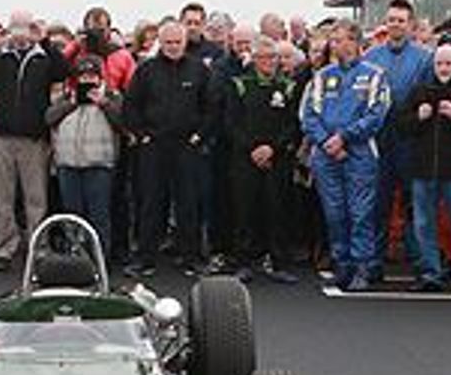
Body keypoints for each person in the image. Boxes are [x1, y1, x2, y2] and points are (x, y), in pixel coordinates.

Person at [299, 23, 391, 292]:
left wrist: (345, 137)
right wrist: (326, 141)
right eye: (332, 40)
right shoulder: (321, 76)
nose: (334, 45)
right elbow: (308, 115)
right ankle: (342, 265)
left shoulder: (374, 75)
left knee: (360, 212)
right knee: (334, 212)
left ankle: (363, 266)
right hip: (326, 153)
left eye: (338, 40)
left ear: (353, 42)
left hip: (359, 152)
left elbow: (376, 114)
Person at [123, 19, 216, 277]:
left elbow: (211, 108)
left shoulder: (199, 70)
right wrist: (141, 135)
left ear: (185, 42)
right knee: (151, 203)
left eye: (177, 42)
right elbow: (131, 105)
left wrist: (199, 136)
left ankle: (191, 258)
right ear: (160, 43)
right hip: (154, 146)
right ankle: (145, 258)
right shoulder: (146, 70)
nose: (173, 47)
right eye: (168, 42)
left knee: (189, 203)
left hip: (187, 146)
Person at [395, 44, 451, 293]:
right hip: (423, 170)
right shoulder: (420, 92)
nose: (443, 68)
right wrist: (418, 117)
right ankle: (430, 274)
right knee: (423, 224)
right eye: (439, 63)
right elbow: (401, 126)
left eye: (448, 64)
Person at [0, 11, 67, 272]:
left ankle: (37, 247)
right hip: (2, 136)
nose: (20, 33)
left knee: (36, 198)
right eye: (15, 27)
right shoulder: (1, 57)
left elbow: (63, 72)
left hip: (33, 138)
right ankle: (4, 247)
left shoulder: (43, 57)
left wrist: (45, 41)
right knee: (3, 198)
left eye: (25, 27)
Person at [363, 0, 433, 279]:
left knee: (414, 203)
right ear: (386, 22)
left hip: (410, 140)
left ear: (410, 24)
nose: (396, 24)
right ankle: (373, 263)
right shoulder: (370, 56)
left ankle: (421, 264)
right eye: (392, 19)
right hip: (378, 139)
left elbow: (428, 96)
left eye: (401, 20)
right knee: (377, 203)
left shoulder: (425, 58)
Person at [224, 35, 303, 283]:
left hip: (278, 159)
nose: (269, 62)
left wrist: (273, 148)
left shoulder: (288, 86)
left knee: (277, 210)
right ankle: (244, 262)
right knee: (244, 210)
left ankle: (278, 262)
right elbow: (231, 122)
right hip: (245, 158)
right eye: (264, 57)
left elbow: (293, 123)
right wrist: (253, 148)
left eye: (273, 57)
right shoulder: (239, 84)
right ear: (254, 59)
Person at [46, 53, 124, 260]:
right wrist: (71, 103)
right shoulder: (66, 98)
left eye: (91, 76)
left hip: (99, 164)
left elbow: (123, 122)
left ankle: (100, 258)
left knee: (99, 215)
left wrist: (103, 103)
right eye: (83, 76)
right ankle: (75, 257)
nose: (87, 80)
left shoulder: (112, 96)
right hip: (68, 163)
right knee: (72, 215)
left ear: (100, 77)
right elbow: (49, 118)